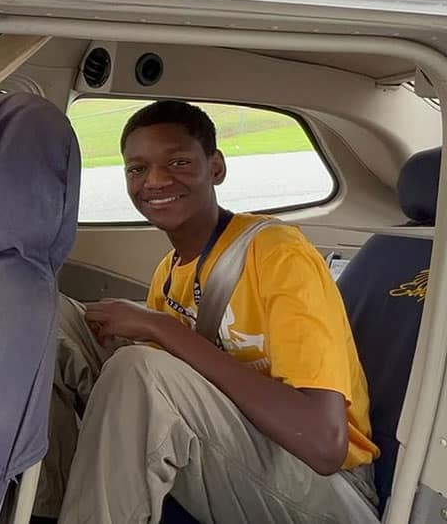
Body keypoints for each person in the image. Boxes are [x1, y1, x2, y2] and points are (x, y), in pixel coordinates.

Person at [38, 100, 380, 523]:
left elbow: (323, 443)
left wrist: (161, 327)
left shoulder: (277, 253)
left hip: (326, 488)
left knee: (140, 366)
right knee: (51, 318)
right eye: (137, 169)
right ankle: (43, 509)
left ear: (215, 168)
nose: (155, 180)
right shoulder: (170, 271)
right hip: (239, 452)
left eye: (178, 162)